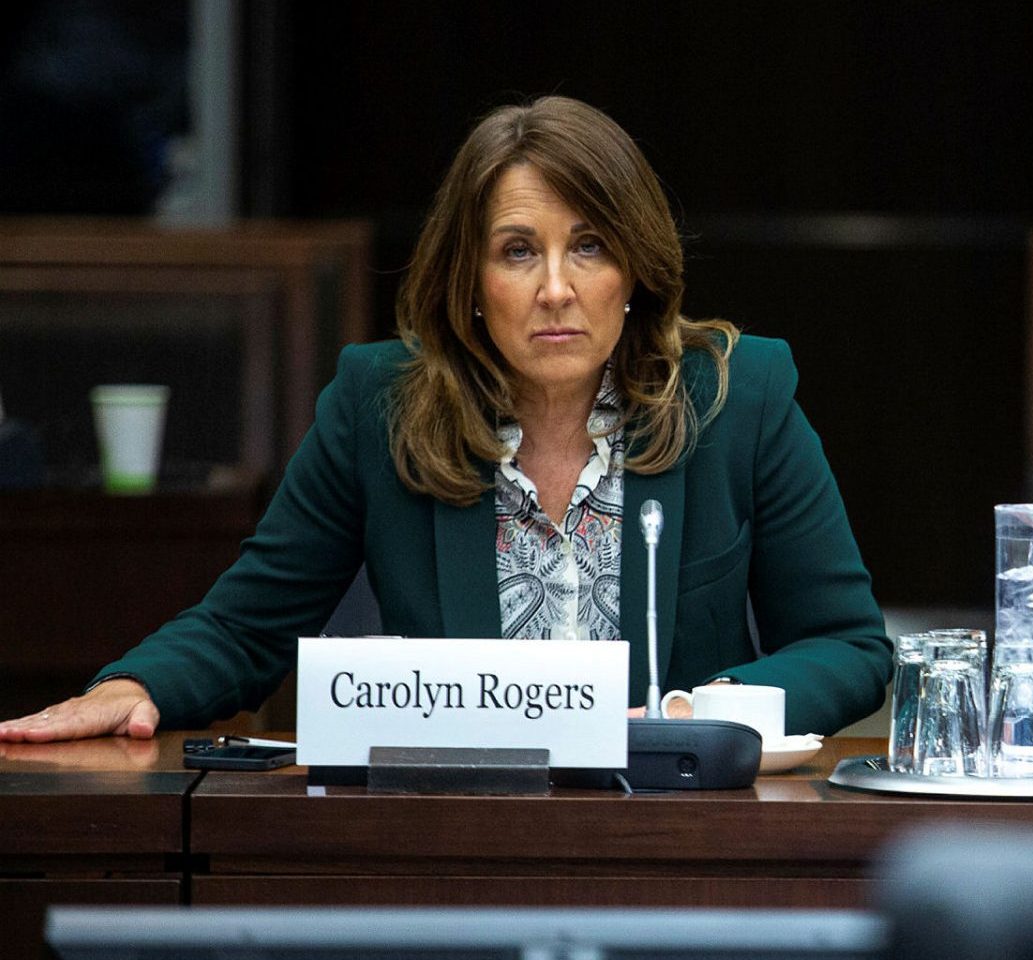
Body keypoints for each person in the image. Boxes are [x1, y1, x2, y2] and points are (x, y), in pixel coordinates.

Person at [0, 96, 890, 743]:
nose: (555, 288)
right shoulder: (378, 405)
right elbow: (248, 627)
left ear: (638, 271)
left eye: (589, 245)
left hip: (678, 837)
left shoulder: (739, 397)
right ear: (468, 284)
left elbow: (847, 645)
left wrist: (703, 713)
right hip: (457, 832)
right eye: (516, 251)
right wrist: (131, 683)